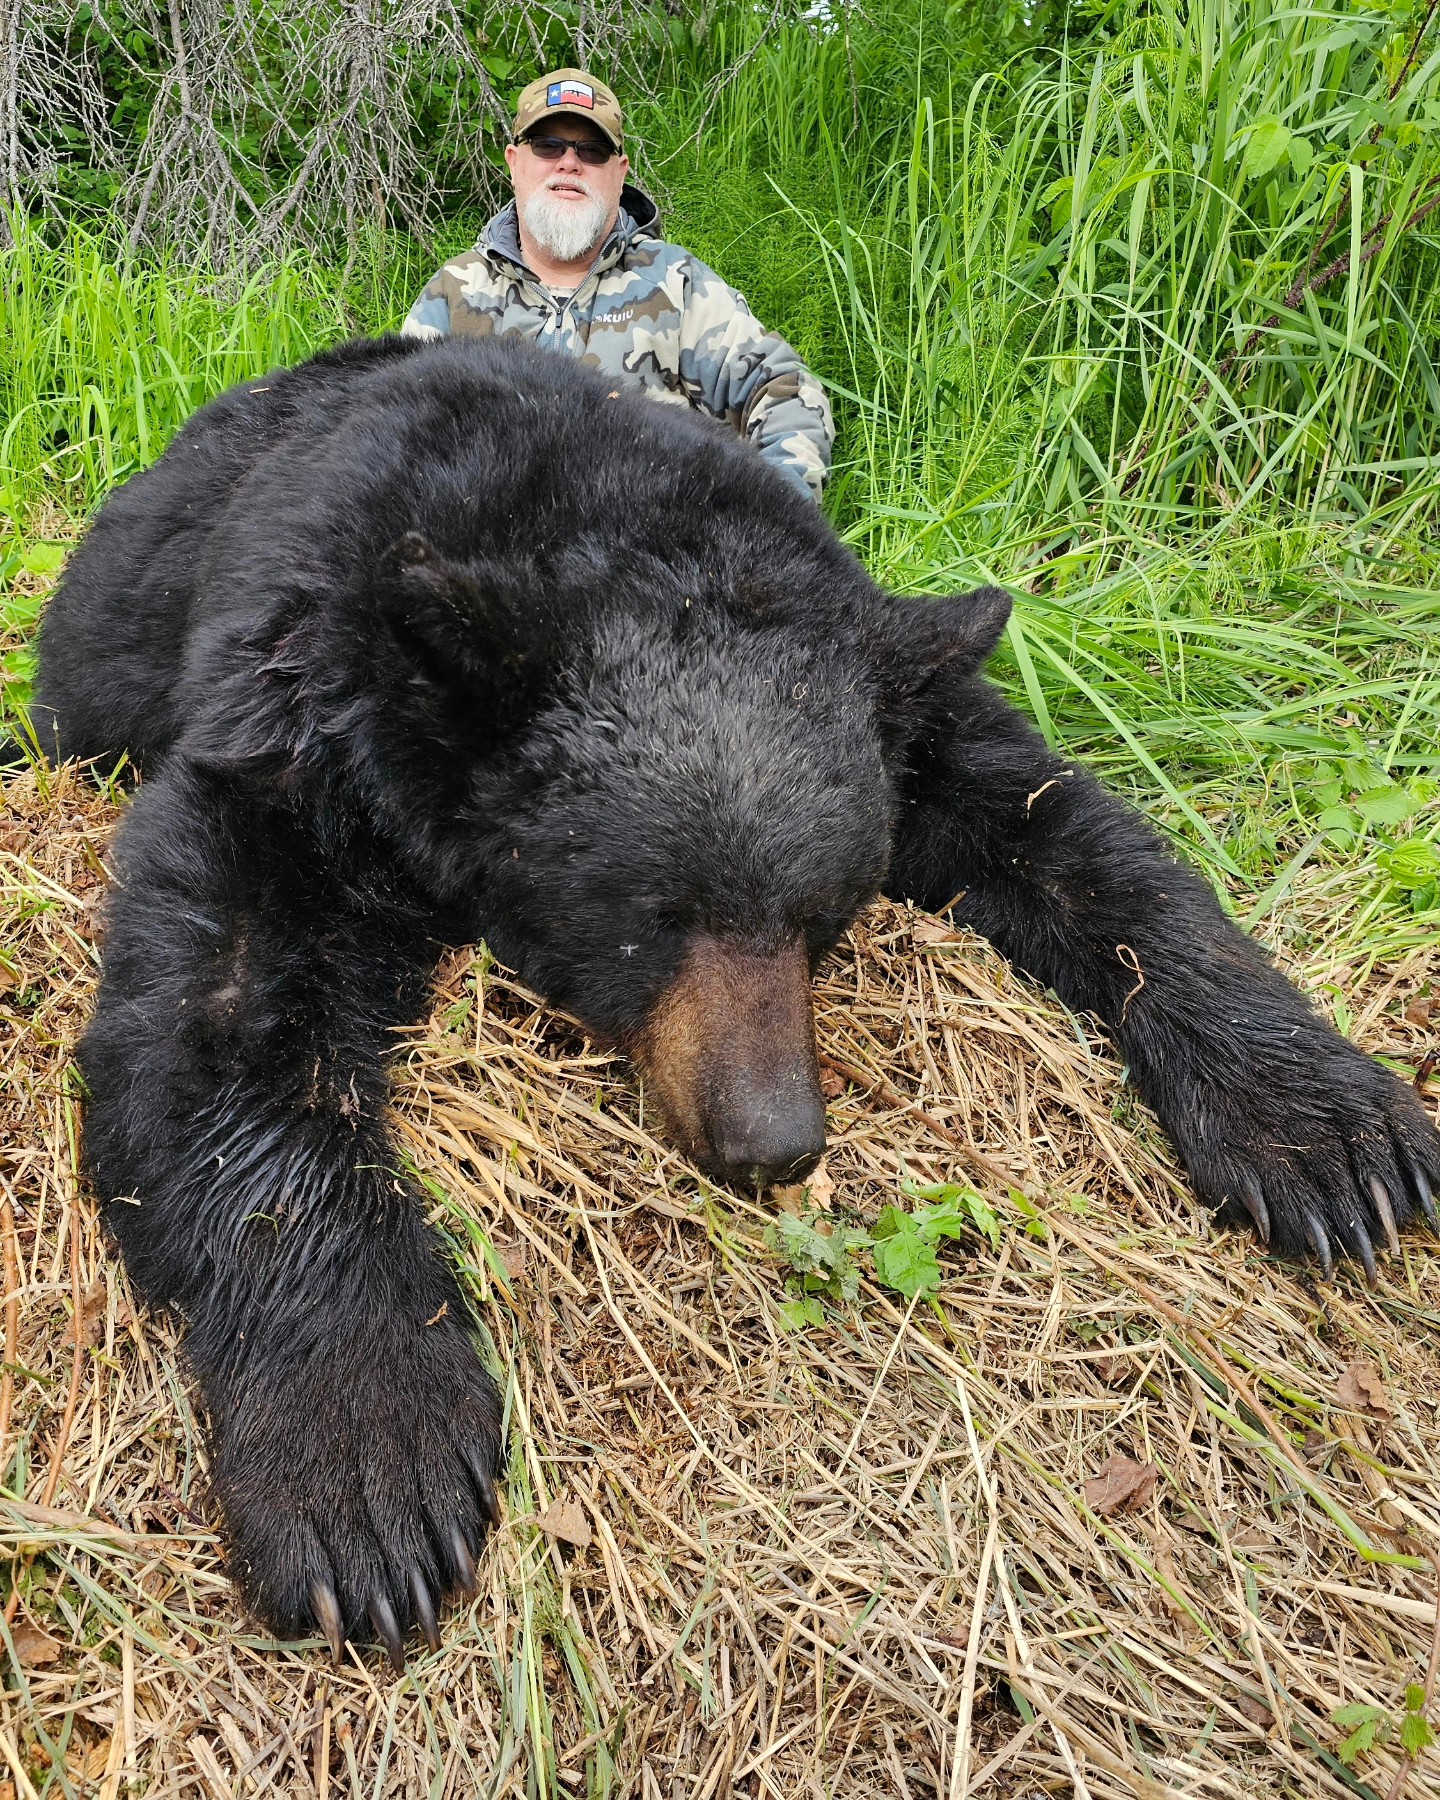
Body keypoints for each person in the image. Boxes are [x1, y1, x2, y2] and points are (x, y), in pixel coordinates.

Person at [400, 69, 834, 502]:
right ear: (515, 161)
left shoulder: (675, 283)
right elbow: (397, 428)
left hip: (651, 547)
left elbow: (784, 391)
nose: (569, 163)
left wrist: (778, 523)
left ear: (620, 171)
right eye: (548, 145)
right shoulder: (453, 293)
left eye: (593, 150)